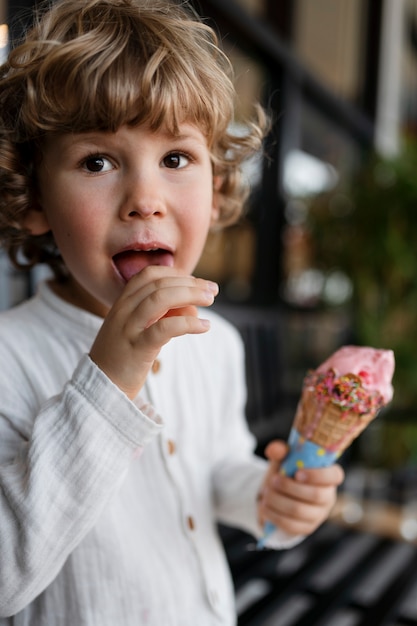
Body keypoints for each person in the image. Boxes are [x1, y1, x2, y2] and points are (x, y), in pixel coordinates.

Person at [0, 0, 344, 624]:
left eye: (176, 159)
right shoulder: (8, 359)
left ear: (216, 192)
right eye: (97, 161)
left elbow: (214, 470)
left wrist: (267, 495)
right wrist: (107, 379)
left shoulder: (219, 344)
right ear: (34, 199)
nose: (145, 200)